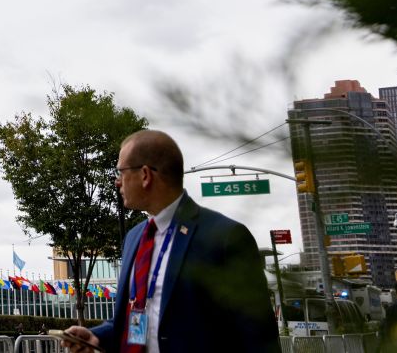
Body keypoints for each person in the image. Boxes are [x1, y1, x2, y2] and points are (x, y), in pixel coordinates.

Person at [63, 130, 279, 353]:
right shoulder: (133, 238)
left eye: (121, 172)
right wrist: (97, 336)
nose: (117, 182)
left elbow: (259, 337)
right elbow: (143, 315)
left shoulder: (225, 237)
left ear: (145, 175)